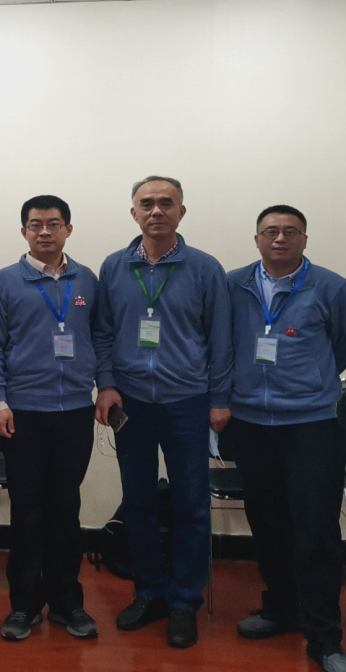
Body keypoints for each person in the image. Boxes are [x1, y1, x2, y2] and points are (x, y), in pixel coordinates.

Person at [93, 175, 233, 649]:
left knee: (191, 504)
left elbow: (220, 339)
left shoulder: (204, 268)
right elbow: (103, 333)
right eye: (147, 203)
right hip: (130, 402)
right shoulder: (115, 266)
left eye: (166, 203)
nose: (156, 211)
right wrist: (106, 384)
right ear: (134, 213)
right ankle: (150, 591)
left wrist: (219, 398)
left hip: (187, 401)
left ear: (181, 211)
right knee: (137, 501)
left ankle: (184, 602)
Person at [225, 205, 346, 672]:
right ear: (257, 239)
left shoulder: (332, 286)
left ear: (304, 239)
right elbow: (221, 343)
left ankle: (324, 638)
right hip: (250, 423)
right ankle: (281, 609)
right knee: (268, 524)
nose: (280, 238)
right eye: (271, 231)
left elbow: (343, 347)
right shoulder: (233, 284)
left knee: (316, 531)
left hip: (310, 424)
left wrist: (308, 385)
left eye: (290, 231)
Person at [0, 195, 100, 642]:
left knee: (66, 509)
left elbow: (101, 338)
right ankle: (24, 605)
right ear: (24, 231)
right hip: (23, 413)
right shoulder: (3, 282)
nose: (45, 231)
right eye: (35, 224)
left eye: (53, 223)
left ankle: (68, 604)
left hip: (75, 411)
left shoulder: (86, 279)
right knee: (27, 512)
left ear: (68, 228)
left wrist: (104, 386)